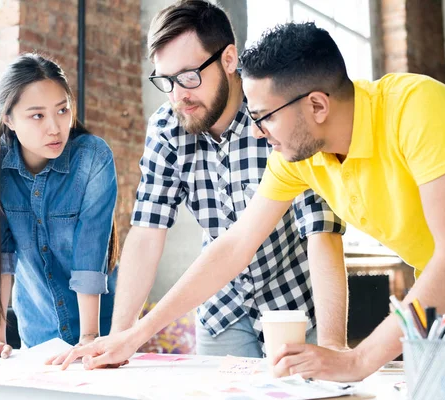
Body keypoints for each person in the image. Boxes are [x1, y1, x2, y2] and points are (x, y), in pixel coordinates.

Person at [51, 21, 445, 380]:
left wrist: (356, 358)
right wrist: (132, 333)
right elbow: (234, 247)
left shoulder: (416, 109)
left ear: (316, 105)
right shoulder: (300, 158)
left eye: (263, 116)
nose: (256, 131)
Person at [48, 0, 347, 368]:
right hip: (221, 309)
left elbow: (322, 233)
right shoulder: (167, 127)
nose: (178, 96)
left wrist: (334, 345)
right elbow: (146, 231)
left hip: (296, 307)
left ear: (229, 59)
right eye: (166, 81)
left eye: (189, 77)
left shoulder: (278, 117)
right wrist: (120, 338)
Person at [0, 53, 119, 360]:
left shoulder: (93, 157)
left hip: (104, 326)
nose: (55, 128)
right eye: (37, 116)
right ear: (8, 119)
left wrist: (89, 338)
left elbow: (91, 252)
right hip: (38, 329)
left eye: (62, 110)